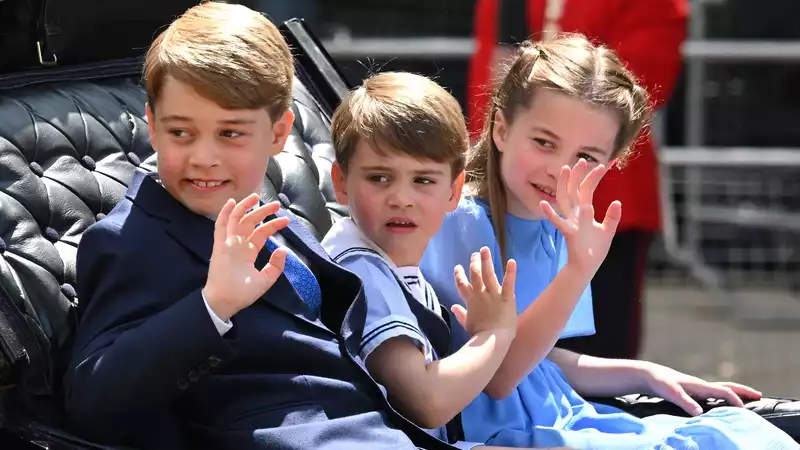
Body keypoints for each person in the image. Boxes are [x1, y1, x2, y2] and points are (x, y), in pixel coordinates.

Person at [62, 3, 458, 449]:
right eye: (181, 133)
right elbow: (91, 399)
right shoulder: (130, 241)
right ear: (152, 127)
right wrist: (213, 306)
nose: (203, 156)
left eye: (230, 133)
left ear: (277, 133)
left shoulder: (269, 218)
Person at [421, 34, 798, 449]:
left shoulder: (559, 229)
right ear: (501, 129)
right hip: (499, 431)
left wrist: (647, 374)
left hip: (561, 413)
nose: (559, 170)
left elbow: (540, 362)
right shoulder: (461, 222)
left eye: (586, 158)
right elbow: (500, 376)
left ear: (611, 164)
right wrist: (578, 271)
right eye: (544, 143)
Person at [467, 0, 688, 359]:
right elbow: (492, 76)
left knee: (601, 343)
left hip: (603, 197)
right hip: (511, 185)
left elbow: (641, 83)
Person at [320, 71, 522, 449]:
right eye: (380, 178)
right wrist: (496, 333)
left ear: (454, 190)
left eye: (423, 180)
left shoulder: (393, 262)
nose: (402, 198)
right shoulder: (361, 269)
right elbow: (427, 403)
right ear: (341, 182)